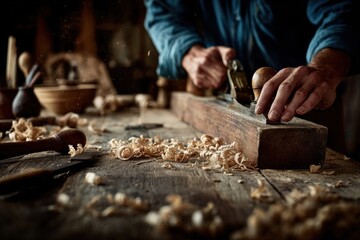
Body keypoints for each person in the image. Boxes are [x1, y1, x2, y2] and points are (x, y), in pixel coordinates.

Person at [143, 0, 359, 124]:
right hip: (220, 102)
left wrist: (324, 69)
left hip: (308, 108)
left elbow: (343, 12)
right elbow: (163, 10)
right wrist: (188, 51)